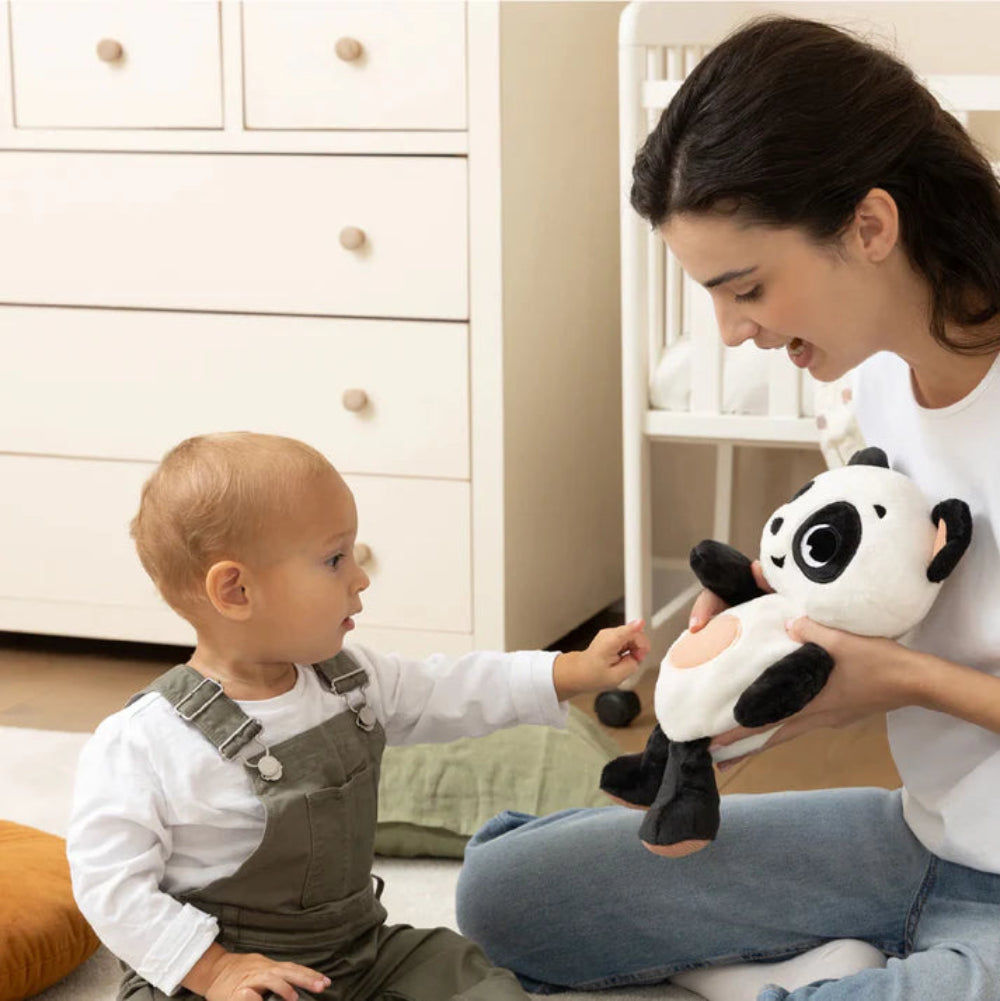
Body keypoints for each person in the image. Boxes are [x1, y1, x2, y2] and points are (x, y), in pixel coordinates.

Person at [455, 15, 1000, 1001]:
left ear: (870, 226)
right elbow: (899, 582)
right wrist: (765, 630)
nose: (731, 330)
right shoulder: (877, 385)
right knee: (510, 894)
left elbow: (908, 663)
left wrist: (898, 681)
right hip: (929, 837)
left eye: (744, 287)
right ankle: (843, 957)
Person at [66, 431, 650, 1001]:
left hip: (356, 950)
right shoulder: (145, 742)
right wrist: (215, 971)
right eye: (334, 558)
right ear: (237, 591)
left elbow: (453, 688)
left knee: (465, 972)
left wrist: (571, 670)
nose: (360, 576)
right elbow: (109, 886)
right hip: (228, 975)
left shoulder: (350, 682)